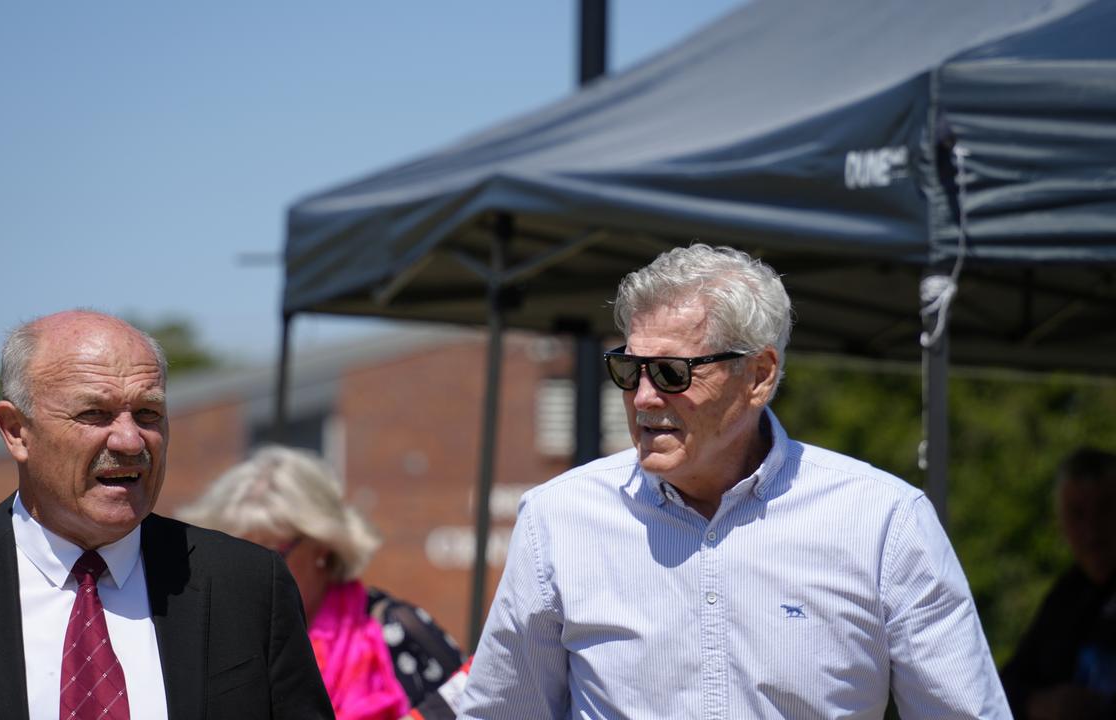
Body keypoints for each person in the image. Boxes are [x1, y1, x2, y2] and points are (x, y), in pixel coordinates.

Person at [458, 244, 1010, 719]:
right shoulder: (558, 520)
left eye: (673, 373)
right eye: (629, 370)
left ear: (759, 375)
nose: (644, 398)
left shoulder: (884, 523)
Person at [0, 310, 334, 720]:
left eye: (148, 414)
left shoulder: (246, 584)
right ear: (15, 431)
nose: (129, 440)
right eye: (93, 414)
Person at [179, 444, 465, 720]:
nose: (253, 571)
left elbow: (478, 704)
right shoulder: (217, 638)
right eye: (238, 555)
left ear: (322, 546)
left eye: (273, 554)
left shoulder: (396, 629)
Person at [1001, 447, 1116, 719]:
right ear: (1060, 522)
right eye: (1077, 514)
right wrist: (1039, 703)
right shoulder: (1067, 596)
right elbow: (1004, 687)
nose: (1092, 530)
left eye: (1105, 509)